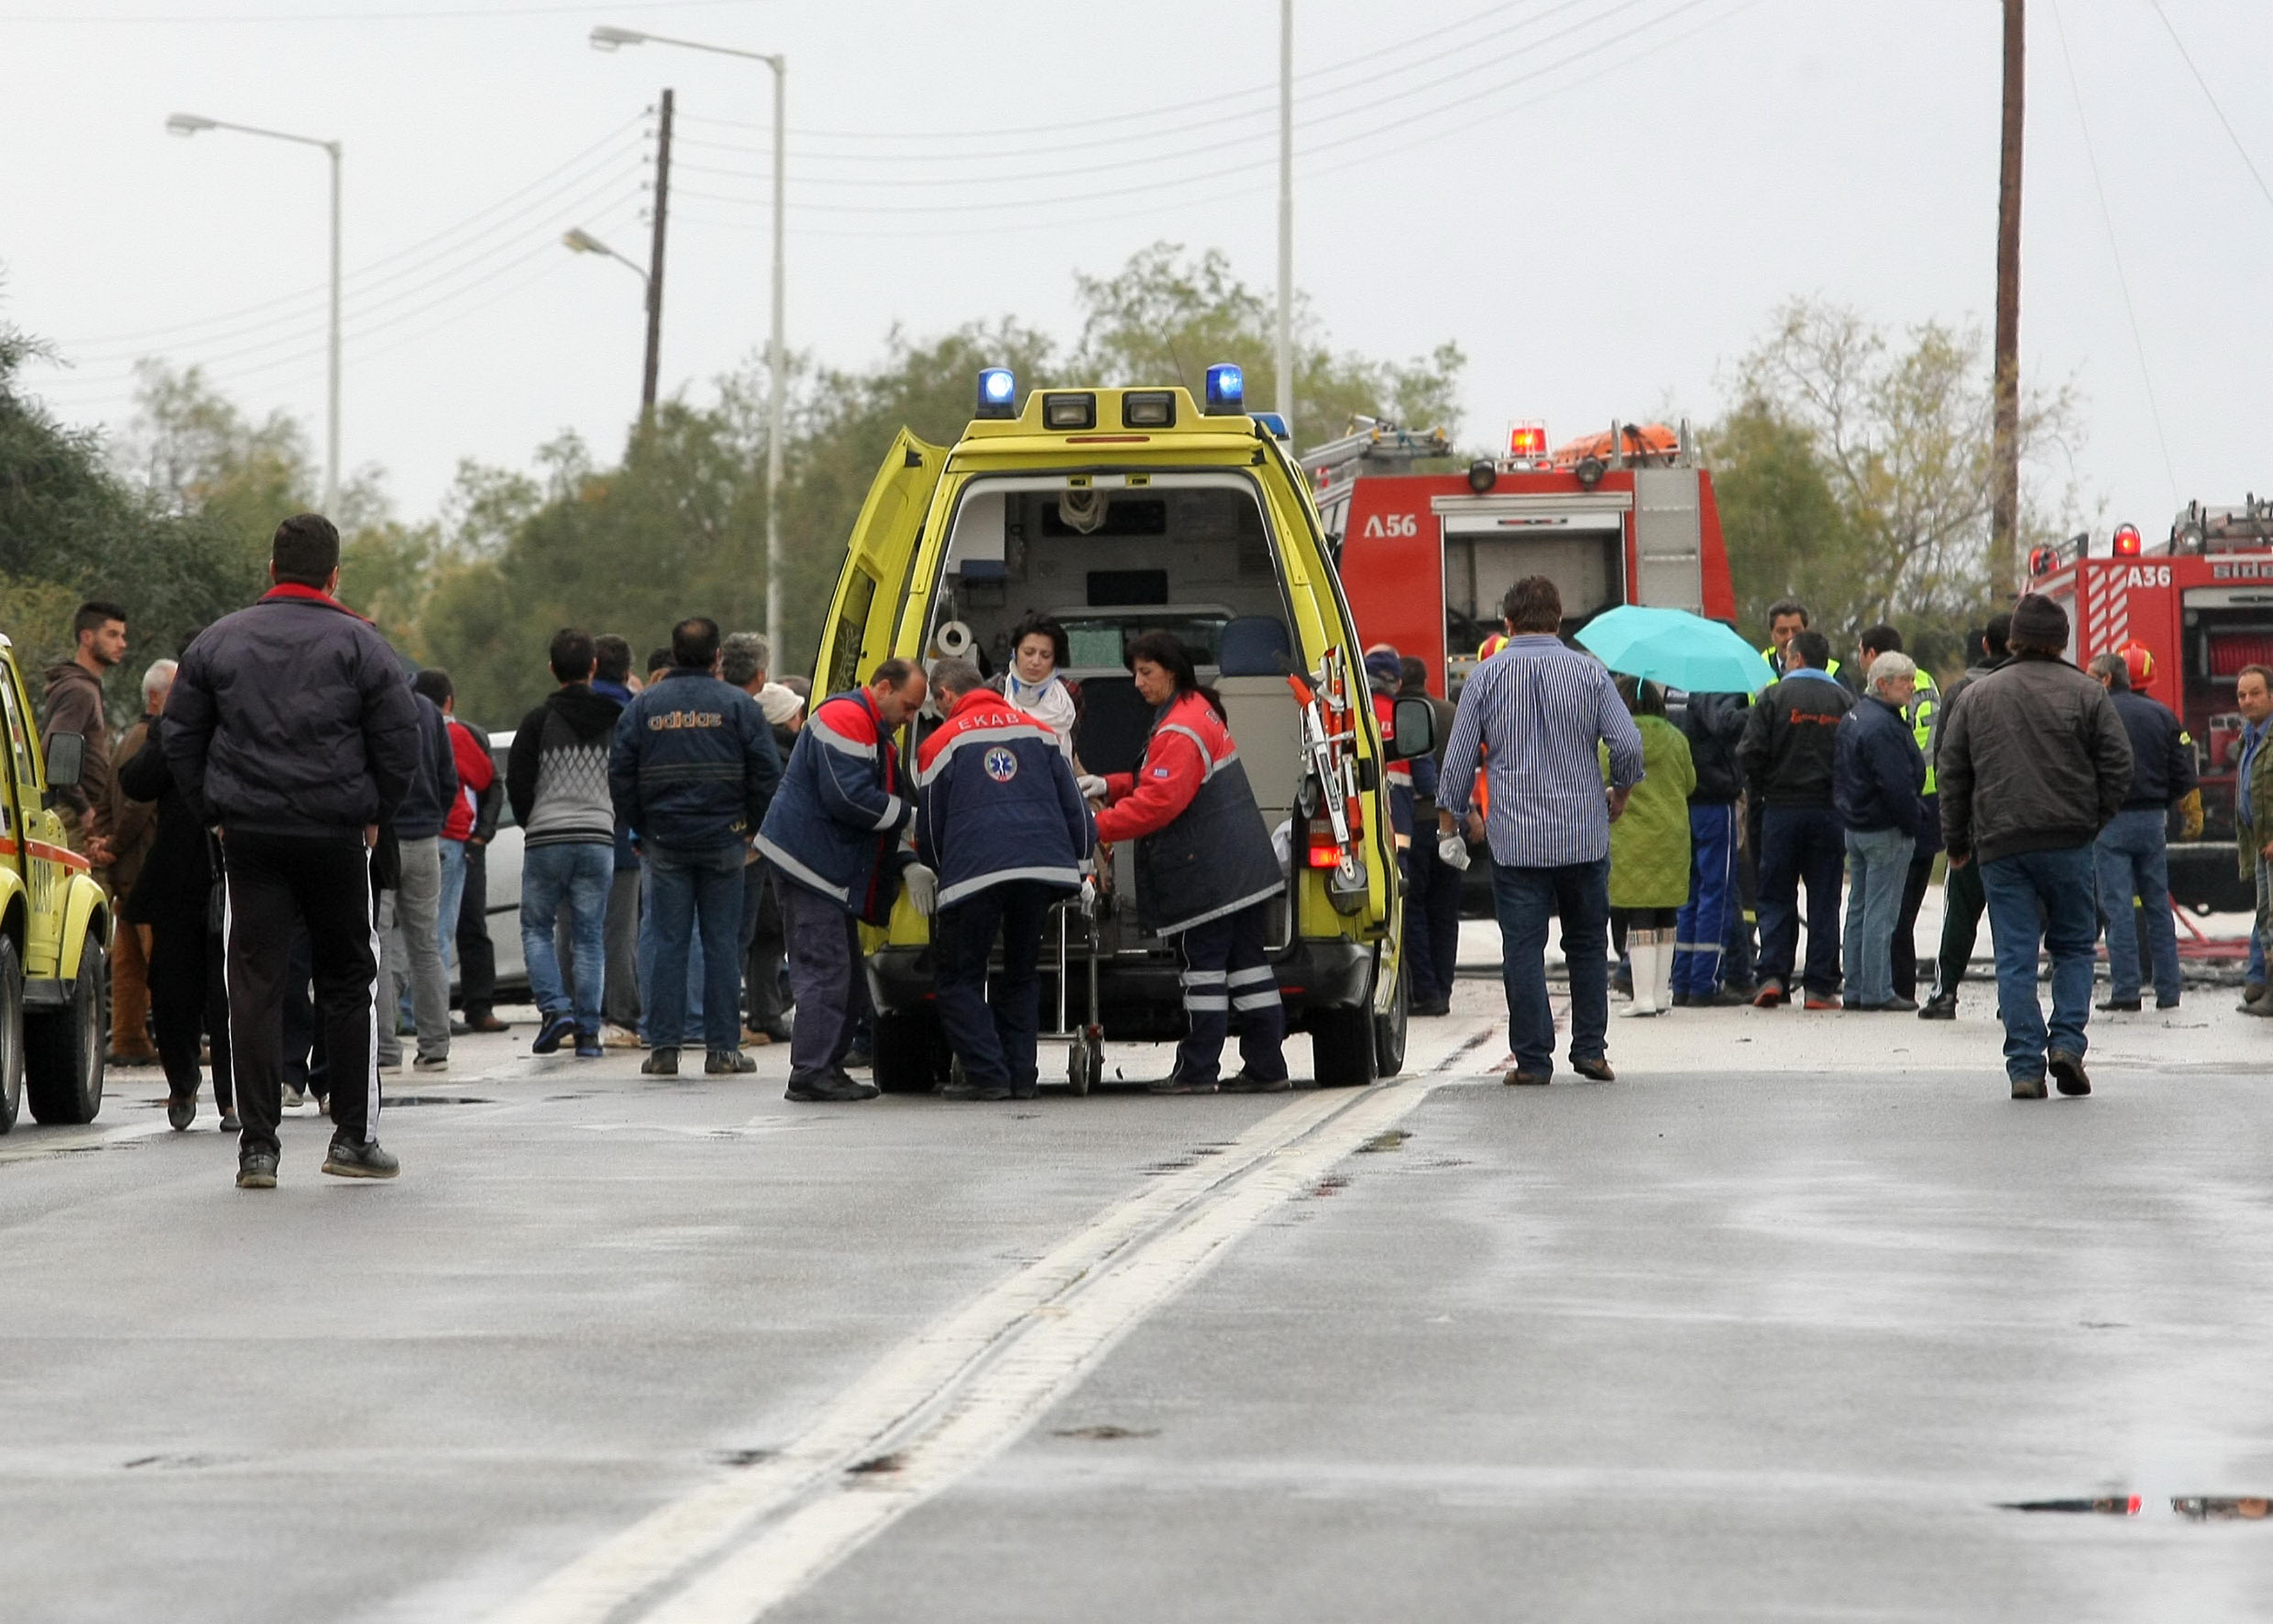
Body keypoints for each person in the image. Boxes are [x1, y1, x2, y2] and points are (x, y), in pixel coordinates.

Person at [162, 512, 420, 1187]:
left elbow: (180, 737)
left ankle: (258, 1148)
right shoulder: (362, 645)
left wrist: (214, 811)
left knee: (253, 984)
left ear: (272, 570)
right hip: (336, 834)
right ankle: (353, 1138)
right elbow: (400, 742)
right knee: (346, 979)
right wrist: (375, 814)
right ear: (334, 574)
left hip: (249, 835)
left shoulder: (219, 642)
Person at [1438, 577, 1644, 1085]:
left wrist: (1451, 821)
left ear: (1507, 622)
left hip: (1517, 842)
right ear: (1558, 619)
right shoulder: (1590, 674)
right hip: (1583, 836)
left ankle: (1532, 1062)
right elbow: (1629, 746)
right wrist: (1619, 793)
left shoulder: (1485, 678)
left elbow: (1460, 759)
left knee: (1523, 950)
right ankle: (1590, 1051)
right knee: (1588, 946)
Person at [1938, 593, 2132, 1099]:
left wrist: (1957, 841)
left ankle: (2024, 1067)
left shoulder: (1976, 696)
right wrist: (2093, 820)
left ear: (2012, 639)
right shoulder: (2087, 693)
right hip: (2067, 841)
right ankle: (2066, 1044)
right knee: (2072, 947)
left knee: (2014, 956)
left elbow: (1952, 772)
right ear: (2062, 641)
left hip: (2000, 845)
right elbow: (2118, 764)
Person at [1094, 632, 1289, 1094]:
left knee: (1202, 973)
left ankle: (1197, 1070)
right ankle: (1267, 1066)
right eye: (1134, 674)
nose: (1138, 683)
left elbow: (1159, 803)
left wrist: (1095, 828)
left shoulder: (1180, 728)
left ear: (1172, 671)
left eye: (1146, 672)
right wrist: (1109, 785)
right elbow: (1158, 780)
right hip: (1241, 873)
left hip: (1209, 878)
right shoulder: (1196, 712)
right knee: (1249, 971)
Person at [609, 615, 782, 1079]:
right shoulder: (737, 705)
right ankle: (723, 1050)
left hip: (663, 841)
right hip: (726, 841)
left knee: (667, 943)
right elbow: (767, 772)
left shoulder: (646, 706)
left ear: (674, 651)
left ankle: (664, 1049)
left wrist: (642, 827)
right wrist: (754, 829)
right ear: (717, 657)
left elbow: (620, 774)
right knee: (722, 944)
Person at [916, 657, 1094, 1100]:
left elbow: (932, 828)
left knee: (959, 977)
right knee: (1021, 973)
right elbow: (1075, 806)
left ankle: (987, 1075)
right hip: (1042, 870)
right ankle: (1021, 1077)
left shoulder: (940, 743)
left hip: (974, 872)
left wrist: (941, 873)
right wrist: (1082, 860)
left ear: (945, 695)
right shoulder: (1040, 732)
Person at [757, 658, 928, 1103]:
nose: (910, 719)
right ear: (885, 688)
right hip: (811, 867)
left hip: (822, 866)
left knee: (845, 976)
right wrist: (915, 821)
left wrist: (905, 856)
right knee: (825, 972)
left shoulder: (866, 725)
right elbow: (850, 799)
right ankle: (811, 1072)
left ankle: (824, 1066)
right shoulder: (847, 719)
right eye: (908, 707)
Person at [507, 628, 624, 1060]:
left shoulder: (539, 721)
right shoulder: (617, 718)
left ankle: (555, 1010)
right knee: (590, 937)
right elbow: (626, 776)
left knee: (538, 927)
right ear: (594, 667)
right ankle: (589, 1033)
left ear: (553, 669)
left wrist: (532, 821)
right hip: (598, 837)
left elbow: (518, 782)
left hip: (547, 837)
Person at [117, 707, 234, 1131]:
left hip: (240, 874)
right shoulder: (174, 729)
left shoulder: (248, 719)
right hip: (178, 883)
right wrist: (171, 733)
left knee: (233, 993)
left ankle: (233, 1097)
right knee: (171, 991)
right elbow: (135, 781)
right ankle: (182, 1084)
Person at [1738, 628, 1856, 1009]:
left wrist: (1764, 786)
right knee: (1825, 897)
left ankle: (1773, 974)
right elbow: (1854, 756)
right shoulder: (1843, 700)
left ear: (1798, 659)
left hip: (1781, 810)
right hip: (1827, 812)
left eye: (1788, 656)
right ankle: (1821, 986)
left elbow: (1750, 752)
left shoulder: (1773, 697)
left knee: (1775, 894)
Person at [2083, 651, 2198, 1013]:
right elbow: (2182, 769)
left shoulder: (2096, 715)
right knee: (2158, 907)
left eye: (2090, 676)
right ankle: (2168, 990)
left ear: (2105, 680)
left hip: (2111, 823)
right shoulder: (2162, 714)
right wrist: (2187, 807)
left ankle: (2127, 991)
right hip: (2153, 823)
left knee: (2117, 909)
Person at [1919, 614, 2011, 1019]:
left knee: (1960, 913)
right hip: (2025, 824)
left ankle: (1945, 993)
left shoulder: (1960, 693)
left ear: (1987, 646)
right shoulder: (2039, 688)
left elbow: (1946, 765)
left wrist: (1953, 833)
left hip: (1975, 824)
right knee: (2015, 918)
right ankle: (2014, 998)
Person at [1834, 651, 1935, 1011]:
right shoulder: (1885, 727)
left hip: (1857, 825)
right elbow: (1896, 784)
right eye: (1904, 681)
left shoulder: (1856, 716)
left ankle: (1856, 988)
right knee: (1882, 912)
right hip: (1885, 827)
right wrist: (1914, 821)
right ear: (1882, 684)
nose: (1911, 687)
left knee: (1859, 908)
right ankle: (1877, 990)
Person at [413, 668, 502, 1035]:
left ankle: (413, 1011)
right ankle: (446, 1015)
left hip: (420, 837)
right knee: (449, 928)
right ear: (449, 701)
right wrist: (480, 834)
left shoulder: (404, 729)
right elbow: (487, 780)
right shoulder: (457, 734)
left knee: (416, 931)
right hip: (453, 839)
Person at [378, 680, 457, 1073]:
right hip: (425, 838)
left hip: (383, 839)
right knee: (425, 945)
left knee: (378, 945)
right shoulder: (427, 710)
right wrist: (434, 818)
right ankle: (435, 1046)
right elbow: (449, 778)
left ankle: (385, 1050)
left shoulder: (370, 706)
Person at [1604, 677, 1695, 1019]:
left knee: (1638, 912)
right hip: (1673, 835)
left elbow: (1601, 776)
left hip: (1631, 836)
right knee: (1666, 913)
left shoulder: (1614, 741)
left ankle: (1641, 996)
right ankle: (1660, 993)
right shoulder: (1678, 739)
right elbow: (1691, 783)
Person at [101, 657, 175, 1067]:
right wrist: (113, 843)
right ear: (155, 696)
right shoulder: (150, 740)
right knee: (156, 961)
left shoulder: (129, 737)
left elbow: (108, 799)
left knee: (128, 960)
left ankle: (130, 1038)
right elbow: (136, 804)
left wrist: (107, 844)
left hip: (127, 868)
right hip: (144, 866)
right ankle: (163, 1040)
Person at [720, 631, 783, 1045]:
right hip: (741, 843)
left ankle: (684, 1025)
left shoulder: (698, 706)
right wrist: (761, 833)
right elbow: (765, 777)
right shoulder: (746, 714)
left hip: (683, 837)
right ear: (761, 676)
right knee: (734, 939)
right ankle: (723, 1030)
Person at [1671, 687, 1749, 1007]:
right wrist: (1757, 712)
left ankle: (1683, 979)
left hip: (1684, 798)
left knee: (1688, 893)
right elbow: (1724, 724)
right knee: (1716, 892)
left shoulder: (1673, 686)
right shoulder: (1714, 685)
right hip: (1714, 797)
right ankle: (1705, 982)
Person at [41, 598, 127, 867]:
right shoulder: (79, 690)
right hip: (73, 819)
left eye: (123, 636)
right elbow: (55, 748)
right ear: (87, 637)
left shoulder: (84, 687)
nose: (122, 644)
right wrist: (84, 809)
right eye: (112, 635)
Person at [1399, 656, 1461, 1017]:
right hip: (1451, 825)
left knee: (1414, 909)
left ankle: (1425, 991)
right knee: (1445, 911)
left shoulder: (1397, 713)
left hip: (1415, 825)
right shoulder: (1450, 712)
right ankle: (1444, 988)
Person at [592, 634, 645, 1044]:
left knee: (573, 930)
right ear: (627, 671)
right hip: (624, 836)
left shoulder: (554, 711)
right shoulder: (634, 714)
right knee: (621, 932)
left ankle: (577, 1013)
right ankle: (623, 1014)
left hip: (570, 833)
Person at [745, 681, 804, 1044]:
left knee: (757, 942)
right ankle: (766, 1015)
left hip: (753, 853)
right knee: (768, 939)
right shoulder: (786, 757)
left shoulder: (753, 749)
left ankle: (762, 1011)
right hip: (773, 858)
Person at [2231, 665, 2273, 1017]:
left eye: (2255, 693)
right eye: (2242, 695)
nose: (2248, 701)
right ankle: (2264, 986)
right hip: (2260, 844)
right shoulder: (2251, 734)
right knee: (2266, 917)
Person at [992, 613, 1080, 763]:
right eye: (1028, 653)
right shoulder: (994, 690)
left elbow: (1072, 747)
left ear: (1055, 660)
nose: (1035, 661)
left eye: (1045, 655)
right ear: (1015, 652)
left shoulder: (1071, 693)